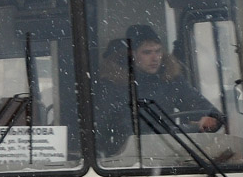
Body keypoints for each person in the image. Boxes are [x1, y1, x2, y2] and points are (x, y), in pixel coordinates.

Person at [95, 26, 223, 154]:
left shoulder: (170, 79)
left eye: (158, 51)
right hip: (127, 160)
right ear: (132, 54)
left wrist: (211, 118)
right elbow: (100, 130)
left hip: (168, 155)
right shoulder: (113, 85)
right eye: (147, 52)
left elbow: (201, 106)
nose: (155, 58)